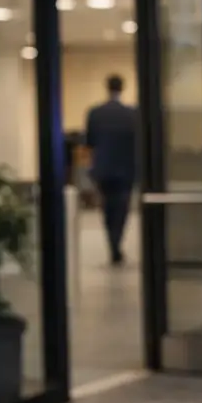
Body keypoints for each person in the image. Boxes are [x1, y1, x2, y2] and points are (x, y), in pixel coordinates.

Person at [85, 74, 138, 266]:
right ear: (122, 88)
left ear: (107, 87)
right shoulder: (132, 113)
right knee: (122, 208)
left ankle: (112, 243)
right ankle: (117, 242)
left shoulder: (96, 113)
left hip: (104, 168)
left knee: (107, 208)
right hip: (126, 168)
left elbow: (89, 142)